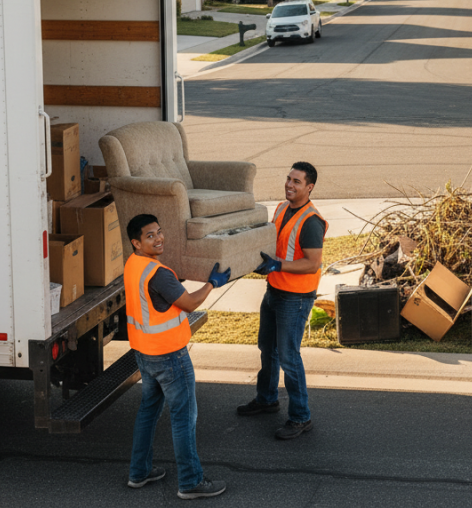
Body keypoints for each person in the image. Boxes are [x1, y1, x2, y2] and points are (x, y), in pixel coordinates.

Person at [124, 213, 230, 499]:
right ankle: (190, 481)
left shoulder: (134, 265)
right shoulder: (157, 273)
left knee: (148, 411)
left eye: (159, 232)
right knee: (184, 417)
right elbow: (190, 303)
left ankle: (139, 472)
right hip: (170, 356)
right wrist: (212, 283)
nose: (158, 238)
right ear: (136, 242)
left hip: (145, 353)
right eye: (150, 236)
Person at [238, 161, 327, 440]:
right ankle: (266, 399)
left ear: (309, 187)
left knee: (289, 357)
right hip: (274, 290)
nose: (289, 184)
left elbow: (312, 264)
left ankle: (301, 417)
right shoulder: (281, 208)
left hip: (296, 298)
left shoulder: (311, 221)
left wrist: (278, 266)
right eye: (288, 179)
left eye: (296, 182)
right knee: (267, 348)